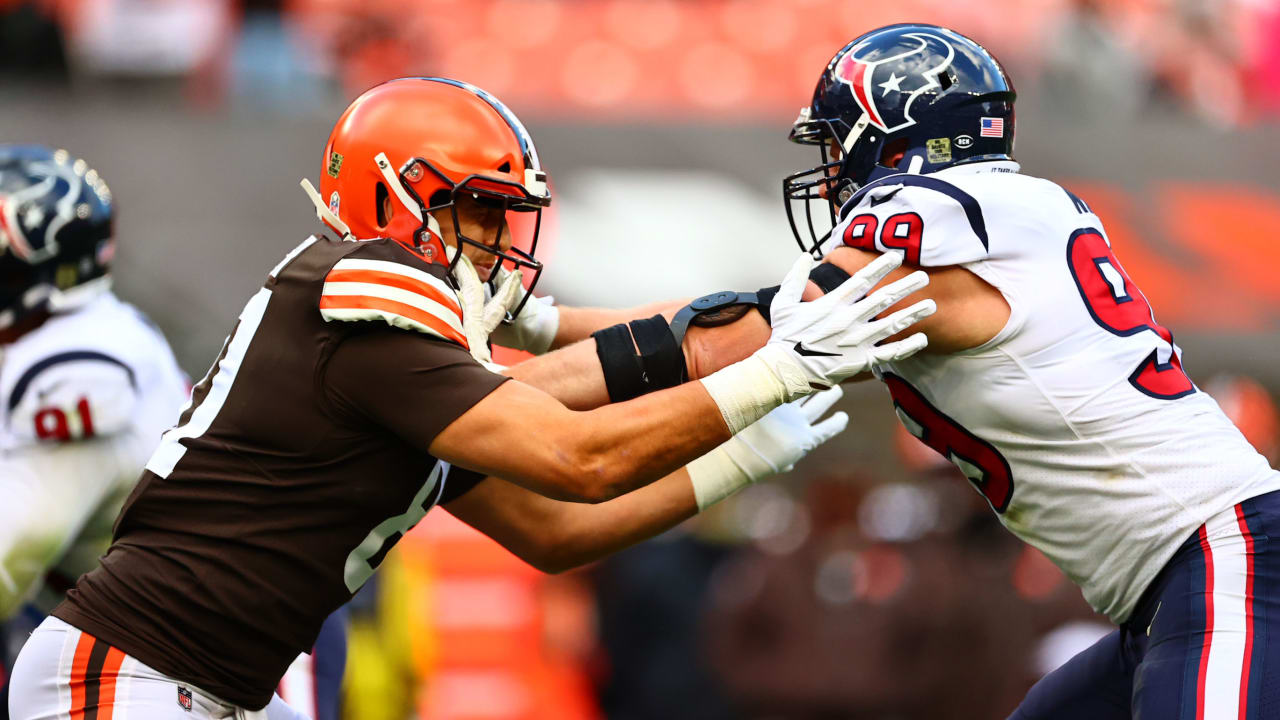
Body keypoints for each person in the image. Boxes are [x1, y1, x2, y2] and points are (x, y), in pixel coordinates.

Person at [7, 77, 935, 719]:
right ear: (395, 200)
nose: (499, 237)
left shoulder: (396, 363)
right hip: (132, 674)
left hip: (194, 680)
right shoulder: (361, 282)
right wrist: (767, 370)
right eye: (479, 208)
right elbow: (579, 454)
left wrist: (743, 440)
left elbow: (557, 529)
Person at [688, 23, 1277, 720]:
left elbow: (760, 326)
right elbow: (746, 321)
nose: (829, 175)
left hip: (1222, 558)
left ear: (895, 136)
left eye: (836, 145)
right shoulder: (1002, 231)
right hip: (1171, 587)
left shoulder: (938, 227)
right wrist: (559, 332)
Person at [0, 146, 189, 710]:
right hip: (118, 635)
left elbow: (11, 557)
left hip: (187, 662)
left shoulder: (77, 370)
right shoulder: (63, 336)